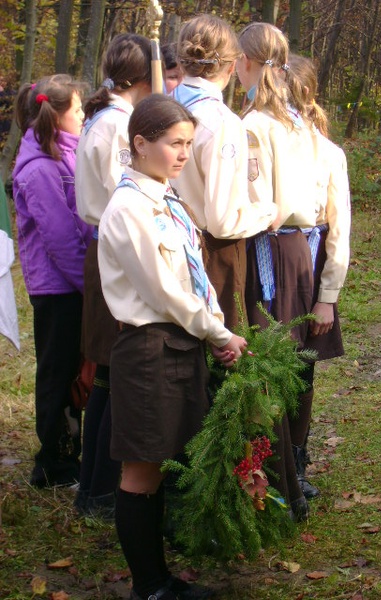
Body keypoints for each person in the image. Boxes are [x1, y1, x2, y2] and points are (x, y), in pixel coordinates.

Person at [98, 93, 246, 600]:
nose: (184, 154)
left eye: (188, 144)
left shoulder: (165, 197)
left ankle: (160, 577)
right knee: (141, 469)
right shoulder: (129, 208)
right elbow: (163, 290)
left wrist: (211, 328)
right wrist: (219, 332)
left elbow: (192, 274)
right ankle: (149, 586)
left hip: (177, 345)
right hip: (148, 350)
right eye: (173, 144)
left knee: (159, 466)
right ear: (140, 144)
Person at [236, 22, 319, 518]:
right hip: (299, 249)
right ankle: (292, 475)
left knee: (271, 366)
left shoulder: (256, 124)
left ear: (245, 62)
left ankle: (279, 485)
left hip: (269, 248)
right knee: (291, 366)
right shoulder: (296, 119)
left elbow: (265, 201)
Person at [74, 33, 153, 518]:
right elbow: (125, 192)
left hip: (108, 245)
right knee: (111, 370)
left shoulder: (107, 117)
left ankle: (94, 485)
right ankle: (99, 487)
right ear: (143, 76)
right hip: (114, 248)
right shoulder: (116, 125)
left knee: (107, 371)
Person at [12, 75, 93, 487]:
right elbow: (61, 238)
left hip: (73, 285)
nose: (83, 115)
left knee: (75, 372)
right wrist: (91, 285)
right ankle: (53, 464)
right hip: (59, 288)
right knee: (58, 375)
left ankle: (69, 455)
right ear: (56, 115)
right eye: (78, 109)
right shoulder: (40, 168)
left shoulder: (66, 154)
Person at [172, 14, 277, 329]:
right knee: (218, 365)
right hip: (211, 257)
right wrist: (266, 212)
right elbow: (222, 220)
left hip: (164, 250)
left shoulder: (159, 106)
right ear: (233, 66)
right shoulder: (221, 122)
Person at [287, 54, 351, 498]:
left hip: (306, 275)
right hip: (261, 269)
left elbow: (338, 230)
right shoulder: (254, 138)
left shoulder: (328, 153)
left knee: (301, 370)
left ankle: (296, 462)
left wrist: (326, 295)